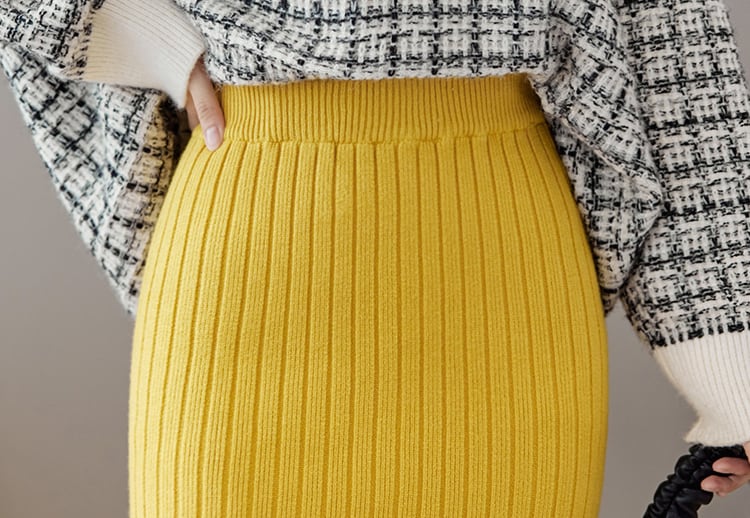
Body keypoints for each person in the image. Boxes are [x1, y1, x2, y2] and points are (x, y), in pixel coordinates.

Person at [2, 0, 750, 515]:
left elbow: (670, 53)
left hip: (497, 258)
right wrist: (136, 31)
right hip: (253, 232)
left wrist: (735, 376)